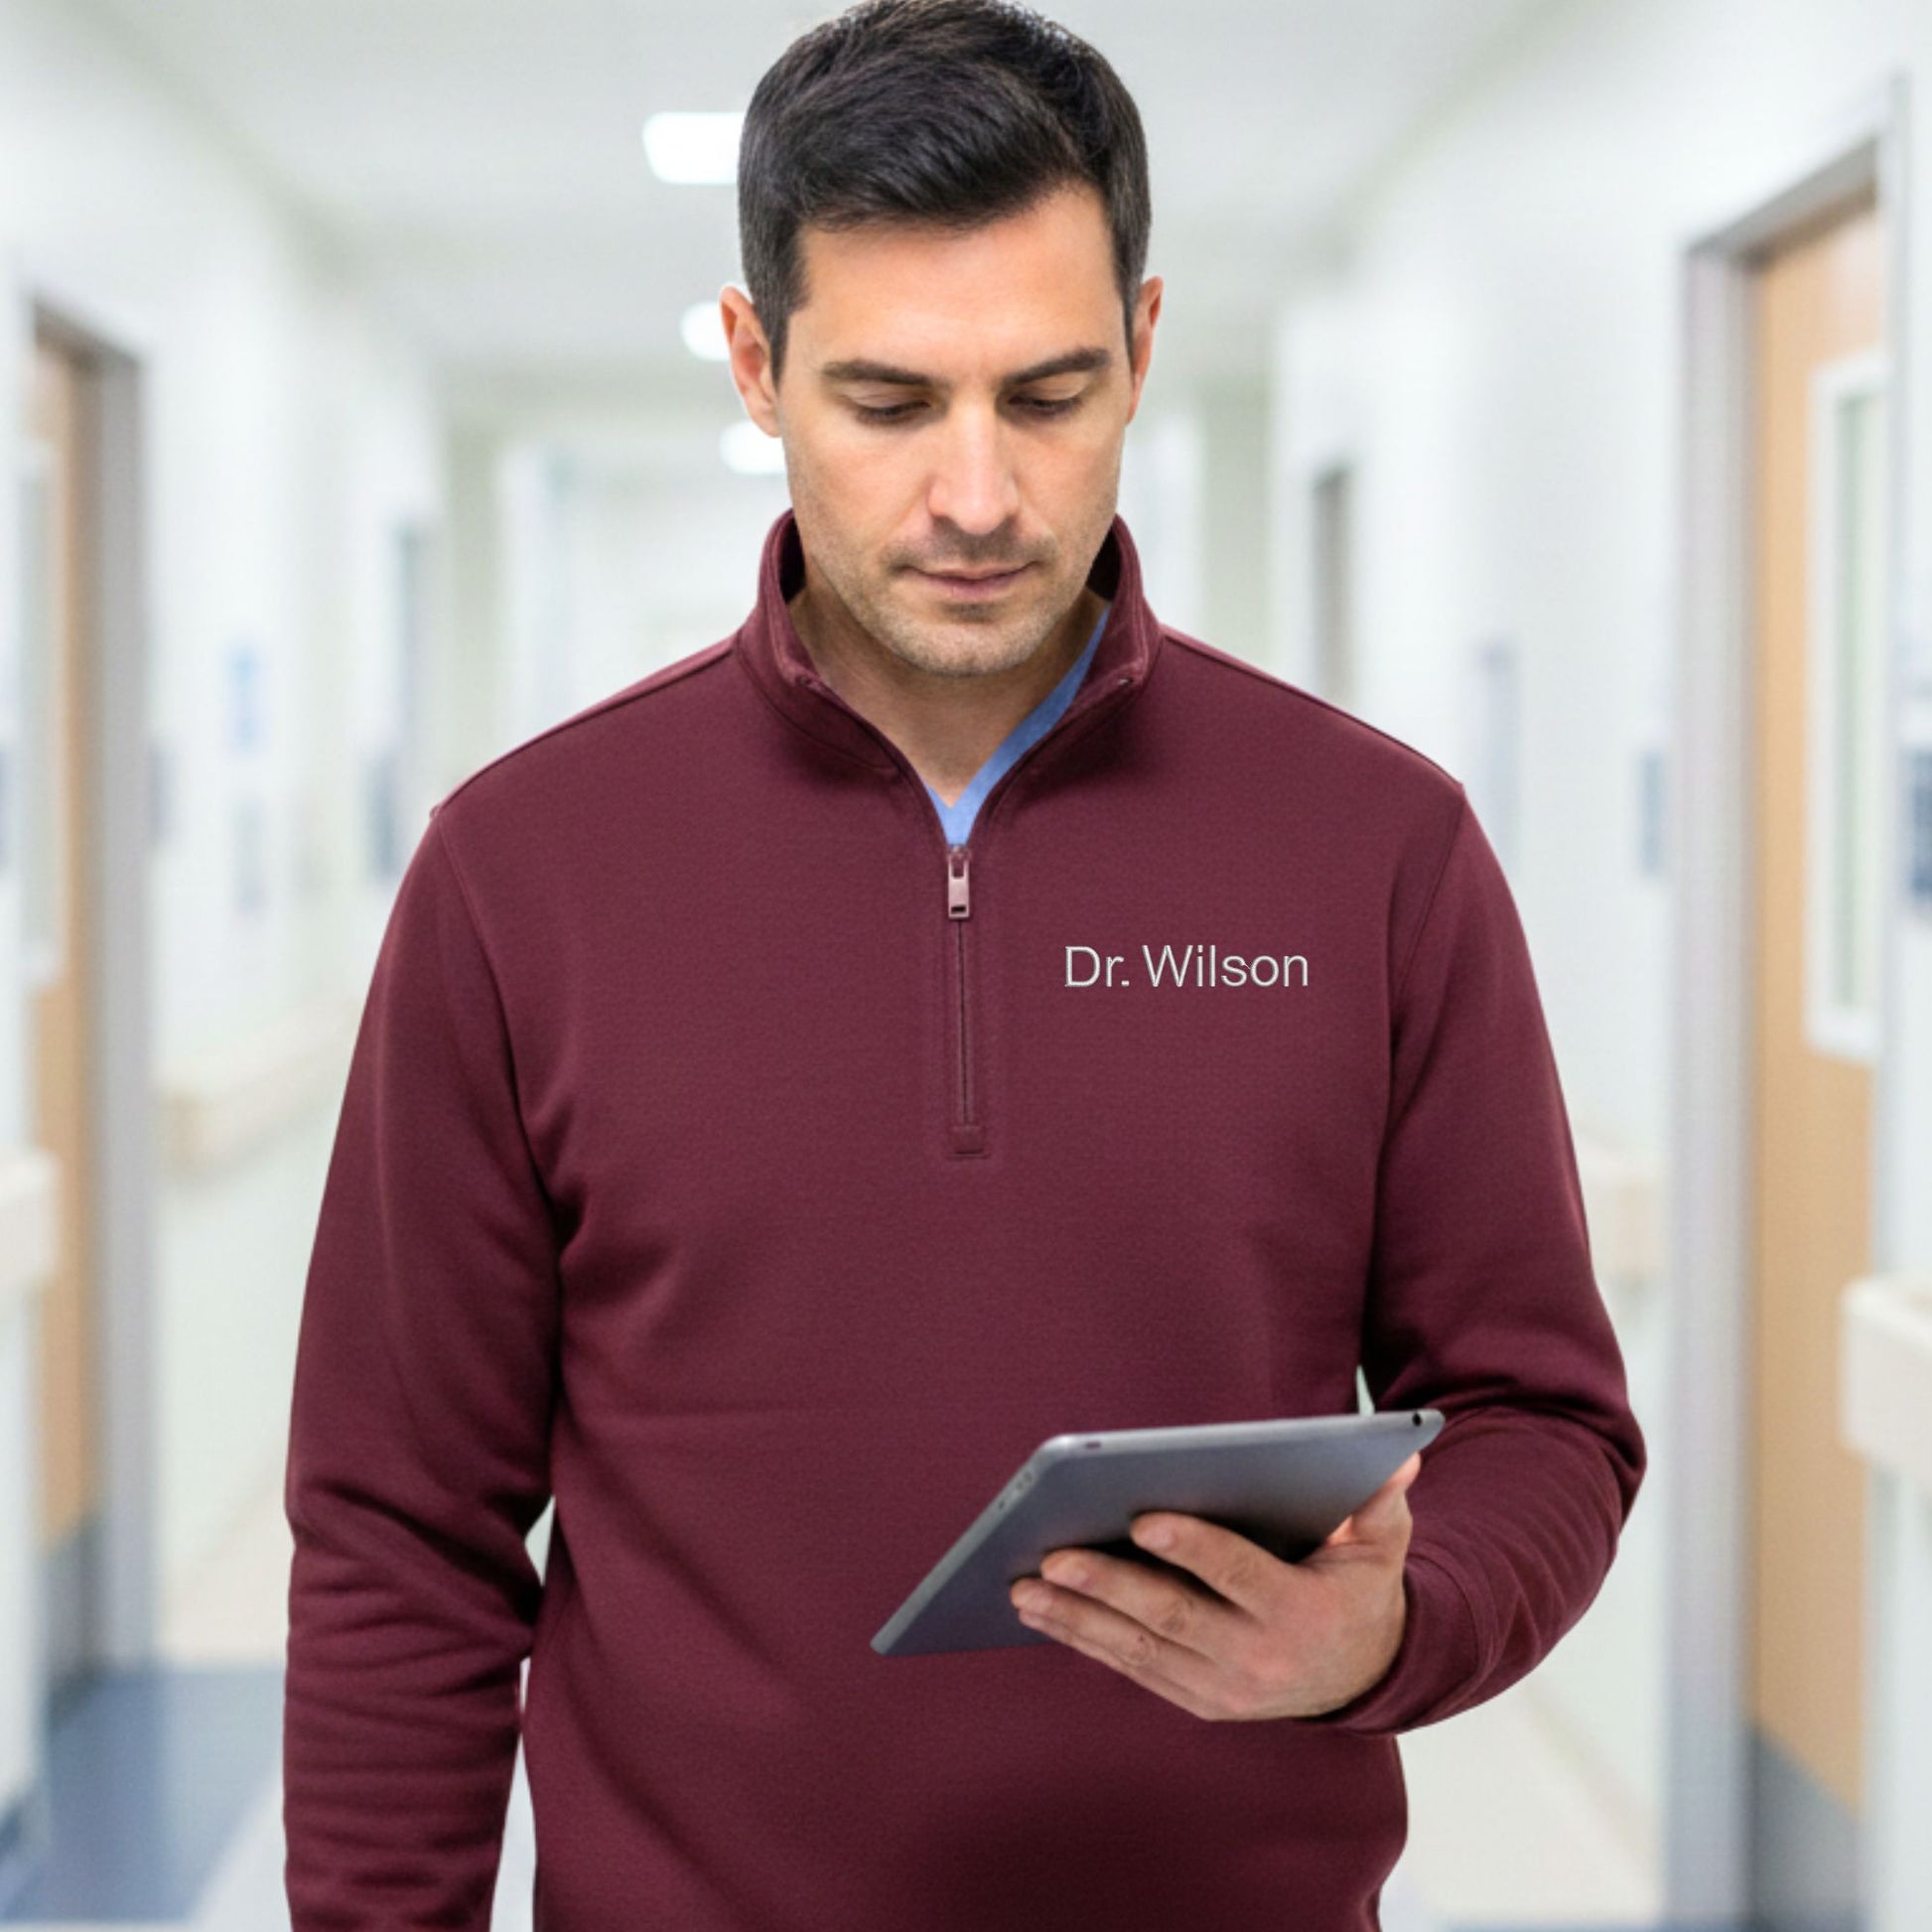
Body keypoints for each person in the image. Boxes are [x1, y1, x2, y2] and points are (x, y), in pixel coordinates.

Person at [281, 2, 1647, 1926]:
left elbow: (1543, 1416)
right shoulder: (522, 872)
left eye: (1050, 391)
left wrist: (1386, 1631)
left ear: (1146, 350)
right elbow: (398, 1532)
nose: (981, 495)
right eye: (892, 401)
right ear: (758, 364)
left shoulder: (1376, 847)